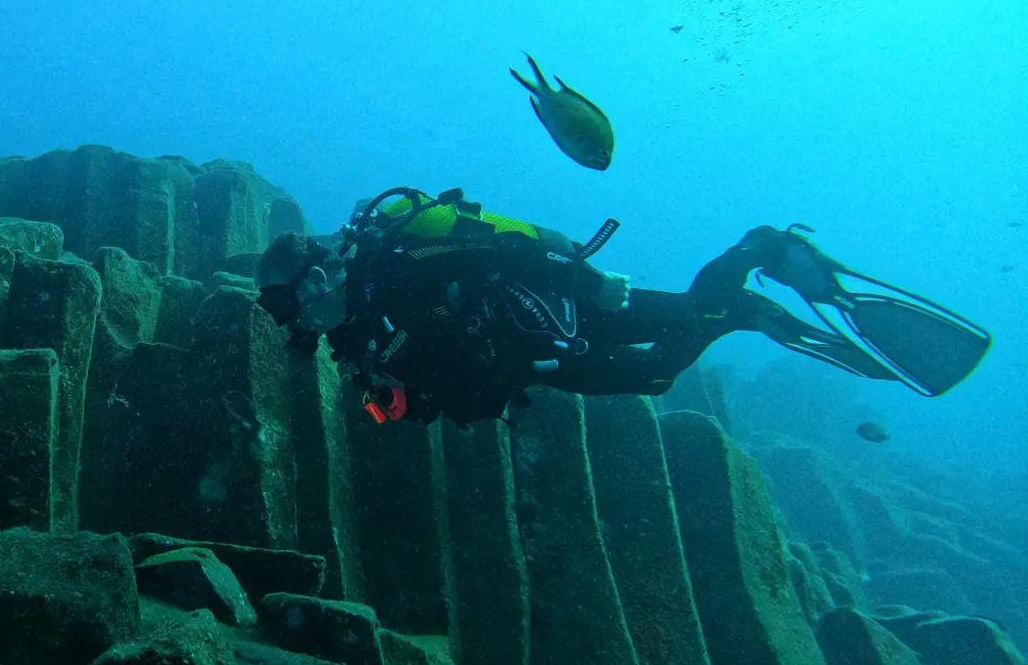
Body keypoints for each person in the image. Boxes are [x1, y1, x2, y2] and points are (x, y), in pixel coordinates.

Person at [254, 187, 992, 427]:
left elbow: (509, 249)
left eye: (309, 300)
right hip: (529, 357)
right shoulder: (353, 334)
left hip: (557, 308)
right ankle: (743, 311)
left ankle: (760, 252)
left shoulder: (399, 250)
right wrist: (394, 400)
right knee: (658, 375)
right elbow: (416, 399)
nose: (313, 320)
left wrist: (586, 281)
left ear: (322, 273)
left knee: (673, 330)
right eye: (300, 320)